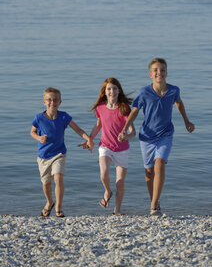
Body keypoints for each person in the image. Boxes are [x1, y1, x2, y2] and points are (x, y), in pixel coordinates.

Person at [118, 58, 195, 216]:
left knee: (160, 163)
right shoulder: (144, 92)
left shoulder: (174, 90)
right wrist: (125, 129)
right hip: (147, 136)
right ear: (150, 74)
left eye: (162, 70)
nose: (159, 72)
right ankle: (155, 199)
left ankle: (153, 205)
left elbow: (179, 103)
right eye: (156, 70)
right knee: (149, 171)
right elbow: (134, 111)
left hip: (165, 134)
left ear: (167, 73)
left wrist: (187, 121)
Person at [30, 87, 94, 218]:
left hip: (59, 153)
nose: (52, 102)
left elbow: (77, 129)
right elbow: (32, 132)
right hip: (43, 156)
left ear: (60, 102)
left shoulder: (64, 116)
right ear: (44, 102)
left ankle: (58, 207)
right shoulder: (39, 118)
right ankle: (49, 202)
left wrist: (88, 138)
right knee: (46, 183)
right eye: (49, 100)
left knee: (58, 177)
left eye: (55, 100)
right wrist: (39, 138)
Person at [80, 78, 136, 216]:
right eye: (109, 89)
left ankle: (117, 210)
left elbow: (133, 133)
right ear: (104, 92)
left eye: (115, 88)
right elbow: (99, 125)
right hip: (105, 146)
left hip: (122, 149)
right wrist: (90, 139)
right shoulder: (100, 107)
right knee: (103, 173)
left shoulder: (124, 109)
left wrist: (125, 136)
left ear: (119, 90)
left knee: (120, 183)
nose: (112, 91)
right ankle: (107, 191)